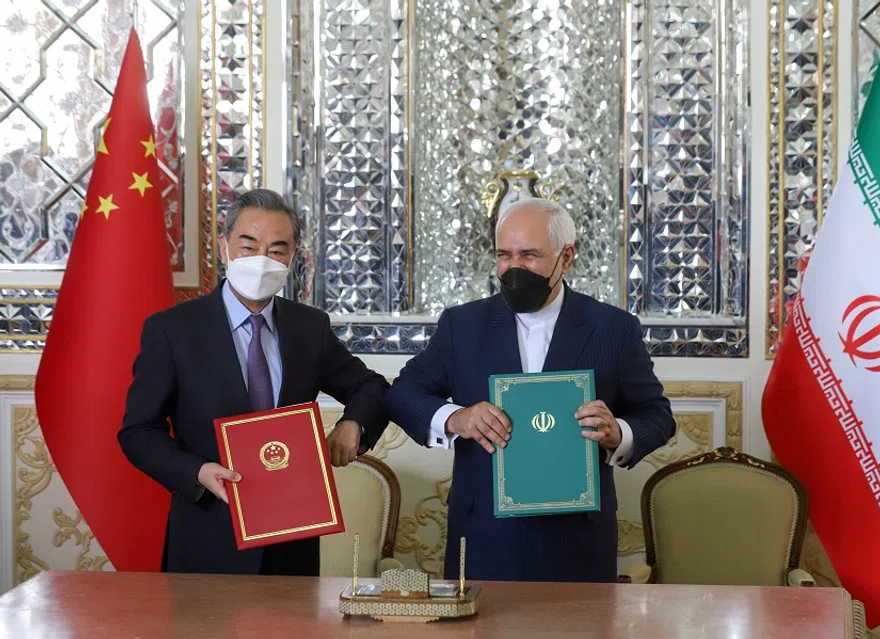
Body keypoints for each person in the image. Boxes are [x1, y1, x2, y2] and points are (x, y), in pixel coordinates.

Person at [386, 197, 676, 583]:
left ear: (566, 257)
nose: (514, 268)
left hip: (577, 538)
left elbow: (657, 417)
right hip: (484, 534)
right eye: (504, 255)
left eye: (529, 255)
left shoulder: (614, 329)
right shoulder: (463, 325)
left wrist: (616, 433)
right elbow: (403, 393)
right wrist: (457, 417)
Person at [118, 188, 390, 576]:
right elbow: (138, 431)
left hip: (292, 542)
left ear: (293, 258)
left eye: (277, 250)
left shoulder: (309, 328)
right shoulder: (173, 330)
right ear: (225, 247)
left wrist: (353, 426)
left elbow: (371, 386)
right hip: (208, 537)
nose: (262, 259)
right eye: (248, 246)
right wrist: (197, 473)